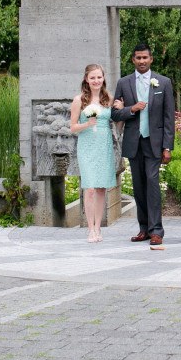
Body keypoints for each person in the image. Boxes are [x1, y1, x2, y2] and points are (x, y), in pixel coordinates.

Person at [111, 43, 174, 247]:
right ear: (133, 60)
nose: (142, 61)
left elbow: (168, 118)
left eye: (145, 57)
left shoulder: (163, 83)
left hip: (154, 142)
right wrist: (132, 109)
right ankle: (143, 229)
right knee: (139, 187)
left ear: (151, 59)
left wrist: (168, 146)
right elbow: (115, 114)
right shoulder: (123, 83)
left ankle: (157, 230)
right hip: (134, 142)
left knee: (152, 182)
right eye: (138, 58)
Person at [69, 63, 117, 243]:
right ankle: (90, 229)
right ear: (86, 80)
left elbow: (116, 121)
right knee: (89, 188)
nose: (96, 81)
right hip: (87, 145)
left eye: (99, 77)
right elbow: (73, 127)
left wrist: (121, 107)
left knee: (100, 188)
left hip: (104, 144)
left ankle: (99, 228)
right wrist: (87, 124)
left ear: (103, 78)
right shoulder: (79, 100)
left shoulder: (109, 99)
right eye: (92, 78)